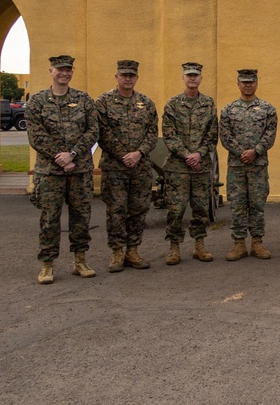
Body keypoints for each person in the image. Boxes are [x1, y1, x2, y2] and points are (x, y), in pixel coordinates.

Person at [25, 55, 99, 284]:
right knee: (50, 219)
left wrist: (73, 154)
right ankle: (47, 265)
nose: (64, 73)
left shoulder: (83, 99)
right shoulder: (37, 101)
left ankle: (80, 261)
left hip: (79, 170)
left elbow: (93, 130)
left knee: (81, 217)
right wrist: (61, 157)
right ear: (50, 71)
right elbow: (36, 136)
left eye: (68, 70)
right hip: (50, 172)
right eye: (59, 70)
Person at [95, 60, 158, 272]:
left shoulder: (146, 103)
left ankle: (133, 250)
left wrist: (138, 153)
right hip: (115, 166)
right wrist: (124, 154)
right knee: (116, 209)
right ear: (117, 77)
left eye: (131, 75)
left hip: (140, 166)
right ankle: (116, 251)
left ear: (137, 78)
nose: (128, 79)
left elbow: (152, 133)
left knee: (138, 209)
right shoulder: (104, 102)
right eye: (124, 75)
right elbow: (102, 133)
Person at [161, 62, 218, 265]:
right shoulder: (173, 104)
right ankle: (174, 247)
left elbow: (212, 135)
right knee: (175, 209)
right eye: (189, 75)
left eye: (196, 75)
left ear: (201, 78)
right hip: (178, 167)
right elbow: (168, 134)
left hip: (201, 167)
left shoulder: (209, 104)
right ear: (183, 78)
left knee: (201, 208)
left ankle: (199, 245)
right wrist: (187, 155)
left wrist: (199, 154)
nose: (192, 78)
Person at [220, 69, 278, 261]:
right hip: (236, 166)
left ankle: (257, 243)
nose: (247, 85)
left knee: (257, 204)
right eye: (244, 82)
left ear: (256, 83)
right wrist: (240, 152)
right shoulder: (228, 110)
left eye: (251, 82)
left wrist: (255, 151)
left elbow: (270, 135)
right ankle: (238, 244)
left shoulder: (267, 109)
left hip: (258, 164)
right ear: (238, 84)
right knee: (237, 205)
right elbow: (225, 135)